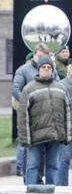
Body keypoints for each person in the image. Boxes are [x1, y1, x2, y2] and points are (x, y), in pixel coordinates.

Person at [17, 56, 72, 185]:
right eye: (43, 67)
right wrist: (25, 139)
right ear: (39, 69)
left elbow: (67, 113)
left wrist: (67, 135)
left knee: (53, 166)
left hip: (55, 135)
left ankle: (51, 193)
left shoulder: (61, 88)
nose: (46, 69)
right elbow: (23, 116)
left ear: (52, 70)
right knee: (33, 165)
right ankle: (31, 192)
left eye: (49, 67)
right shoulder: (29, 89)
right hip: (36, 137)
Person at [13, 43, 56, 178]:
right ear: (35, 54)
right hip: (28, 114)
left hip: (47, 118)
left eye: (45, 56)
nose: (42, 59)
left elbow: (58, 88)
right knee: (25, 145)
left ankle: (40, 179)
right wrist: (28, 103)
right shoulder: (23, 70)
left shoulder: (51, 71)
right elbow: (16, 89)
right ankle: (21, 170)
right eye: (39, 56)